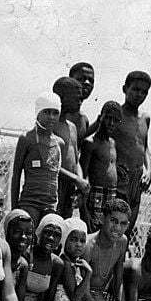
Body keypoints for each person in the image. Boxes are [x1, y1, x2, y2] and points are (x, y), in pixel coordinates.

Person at [11, 93, 64, 225]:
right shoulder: (27, 139)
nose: (51, 117)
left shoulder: (59, 143)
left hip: (51, 205)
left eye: (55, 113)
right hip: (30, 202)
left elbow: (58, 177)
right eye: (46, 112)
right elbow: (16, 175)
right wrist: (14, 209)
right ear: (38, 113)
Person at [112, 71, 151, 230]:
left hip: (136, 183)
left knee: (127, 230)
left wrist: (149, 170)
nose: (139, 94)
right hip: (118, 180)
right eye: (135, 89)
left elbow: (145, 147)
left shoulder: (145, 118)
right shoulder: (116, 114)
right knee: (113, 229)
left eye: (144, 92)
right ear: (124, 88)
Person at [80, 101, 122, 231]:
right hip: (95, 194)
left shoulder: (113, 143)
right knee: (92, 229)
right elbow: (83, 176)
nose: (111, 123)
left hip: (111, 194)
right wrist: (84, 210)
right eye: (108, 118)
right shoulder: (91, 143)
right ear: (101, 117)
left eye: (115, 120)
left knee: (106, 231)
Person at [52, 77, 89, 218]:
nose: (80, 102)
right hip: (55, 185)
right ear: (61, 98)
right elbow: (51, 163)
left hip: (70, 188)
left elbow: (75, 159)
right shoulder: (52, 125)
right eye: (76, 98)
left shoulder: (72, 127)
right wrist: (75, 179)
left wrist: (80, 180)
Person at [67, 62, 95, 146]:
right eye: (81, 79)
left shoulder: (84, 120)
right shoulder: (56, 114)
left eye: (91, 80)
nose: (87, 83)